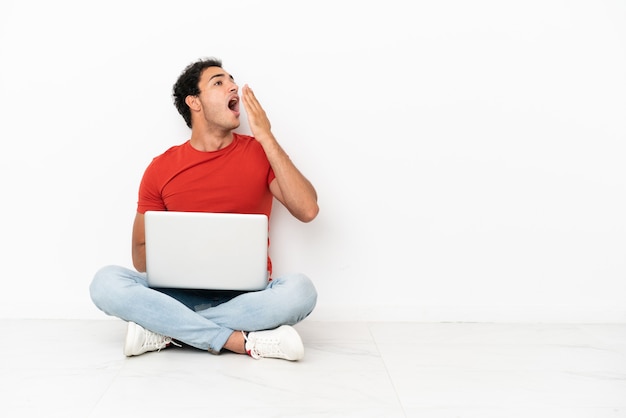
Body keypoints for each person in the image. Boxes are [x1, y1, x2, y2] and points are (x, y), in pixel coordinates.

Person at [89, 57, 319, 361]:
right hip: (178, 296)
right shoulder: (161, 168)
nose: (233, 86)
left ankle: (167, 331)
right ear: (194, 103)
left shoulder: (260, 153)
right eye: (219, 82)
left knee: (301, 291)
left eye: (231, 80)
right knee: (106, 283)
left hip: (248, 296)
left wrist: (266, 136)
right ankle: (238, 340)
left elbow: (307, 210)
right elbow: (140, 259)